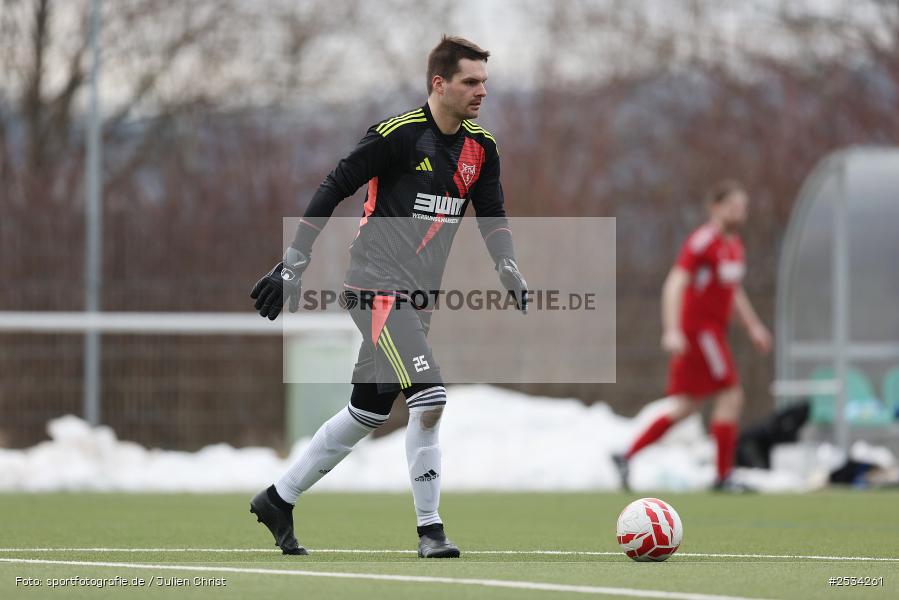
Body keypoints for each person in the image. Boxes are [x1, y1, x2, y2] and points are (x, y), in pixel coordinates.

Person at [248, 36, 528, 557]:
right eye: (471, 81)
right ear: (438, 84)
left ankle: (278, 499)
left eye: (485, 82)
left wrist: (506, 262)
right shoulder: (396, 136)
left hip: (417, 300)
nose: (481, 91)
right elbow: (334, 185)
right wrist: (293, 263)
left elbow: (492, 213)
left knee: (367, 412)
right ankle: (431, 531)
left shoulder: (482, 149)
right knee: (430, 396)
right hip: (373, 286)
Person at [613, 180, 771, 491]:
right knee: (731, 394)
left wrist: (753, 326)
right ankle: (723, 476)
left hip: (713, 333)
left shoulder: (734, 246)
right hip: (701, 333)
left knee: (686, 407)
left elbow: (733, 291)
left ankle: (626, 455)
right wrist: (672, 330)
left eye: (743, 208)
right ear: (715, 208)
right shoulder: (703, 242)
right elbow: (674, 284)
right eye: (732, 207)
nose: (739, 213)